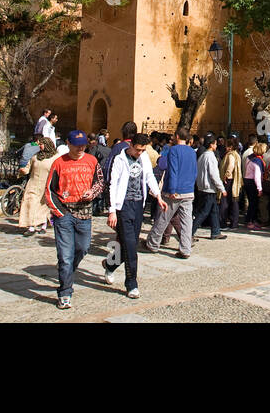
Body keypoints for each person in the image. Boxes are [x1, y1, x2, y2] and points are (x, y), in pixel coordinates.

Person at [42, 131, 104, 309]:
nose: (80, 148)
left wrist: (92, 193)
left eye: (83, 145)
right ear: (68, 143)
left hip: (85, 213)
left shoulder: (92, 161)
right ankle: (65, 292)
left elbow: (100, 182)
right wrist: (60, 213)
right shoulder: (59, 163)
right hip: (64, 213)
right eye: (76, 144)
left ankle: (67, 270)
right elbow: (49, 190)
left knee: (83, 248)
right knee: (65, 255)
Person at [103, 133, 166, 299]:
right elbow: (112, 184)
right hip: (123, 206)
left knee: (128, 245)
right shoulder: (120, 159)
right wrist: (112, 210)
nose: (140, 153)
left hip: (138, 205)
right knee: (131, 246)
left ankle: (110, 264)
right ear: (131, 146)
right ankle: (131, 284)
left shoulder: (144, 157)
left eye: (143, 150)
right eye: (138, 150)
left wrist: (158, 195)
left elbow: (149, 177)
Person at [145, 126, 197, 258]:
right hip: (188, 190)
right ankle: (185, 249)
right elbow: (194, 171)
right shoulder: (192, 152)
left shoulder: (174, 150)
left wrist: (172, 189)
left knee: (163, 217)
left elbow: (173, 170)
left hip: (175, 190)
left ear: (177, 136)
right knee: (186, 221)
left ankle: (153, 243)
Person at [191, 134, 228, 239]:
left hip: (202, 186)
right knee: (203, 212)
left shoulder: (202, 156)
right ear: (211, 145)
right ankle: (190, 232)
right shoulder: (210, 157)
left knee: (214, 210)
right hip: (209, 188)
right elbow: (214, 174)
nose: (216, 146)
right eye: (215, 144)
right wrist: (222, 188)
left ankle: (216, 231)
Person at [17, 137, 55, 235]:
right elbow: (28, 168)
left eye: (41, 144)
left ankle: (43, 225)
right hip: (33, 184)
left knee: (43, 206)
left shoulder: (54, 158)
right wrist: (22, 170)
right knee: (31, 204)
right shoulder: (35, 157)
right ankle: (31, 227)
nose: (39, 146)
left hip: (45, 185)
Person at [220, 136, 243, 229]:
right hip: (234, 180)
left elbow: (231, 165)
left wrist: (226, 174)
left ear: (230, 146)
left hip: (229, 180)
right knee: (234, 201)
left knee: (225, 201)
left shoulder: (230, 155)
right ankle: (234, 222)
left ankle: (224, 221)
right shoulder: (236, 154)